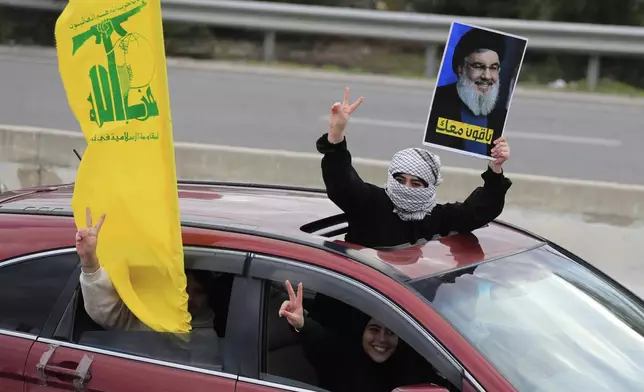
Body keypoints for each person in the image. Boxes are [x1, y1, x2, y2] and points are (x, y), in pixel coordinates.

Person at [317, 87, 512, 249]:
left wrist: (495, 167)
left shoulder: (438, 218)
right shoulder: (371, 204)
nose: (406, 188)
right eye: (400, 180)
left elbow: (481, 210)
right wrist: (336, 137)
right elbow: (342, 184)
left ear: (430, 187)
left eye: (416, 183)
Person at [278, 280, 451, 392]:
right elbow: (318, 339)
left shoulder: (409, 363)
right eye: (374, 329)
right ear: (362, 330)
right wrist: (301, 324)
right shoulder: (342, 358)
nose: (382, 339)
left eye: (391, 332)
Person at [75, 208, 217, 332]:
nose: (190, 298)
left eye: (198, 292)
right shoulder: (147, 320)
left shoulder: (209, 336)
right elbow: (104, 310)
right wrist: (89, 259)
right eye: (185, 290)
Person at [425, 27, 508, 156]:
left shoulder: (501, 115)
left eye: (493, 68)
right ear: (460, 69)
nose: (486, 76)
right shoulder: (436, 103)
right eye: (478, 66)